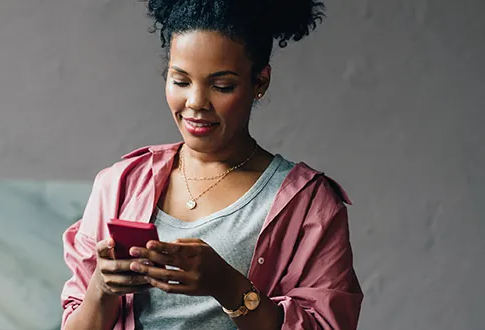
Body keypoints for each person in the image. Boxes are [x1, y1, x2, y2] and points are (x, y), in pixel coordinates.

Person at [60, 0, 363, 329]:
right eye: (180, 81)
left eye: (222, 86)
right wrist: (102, 290)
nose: (195, 103)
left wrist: (228, 286)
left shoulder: (309, 204)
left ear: (259, 83)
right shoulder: (119, 185)